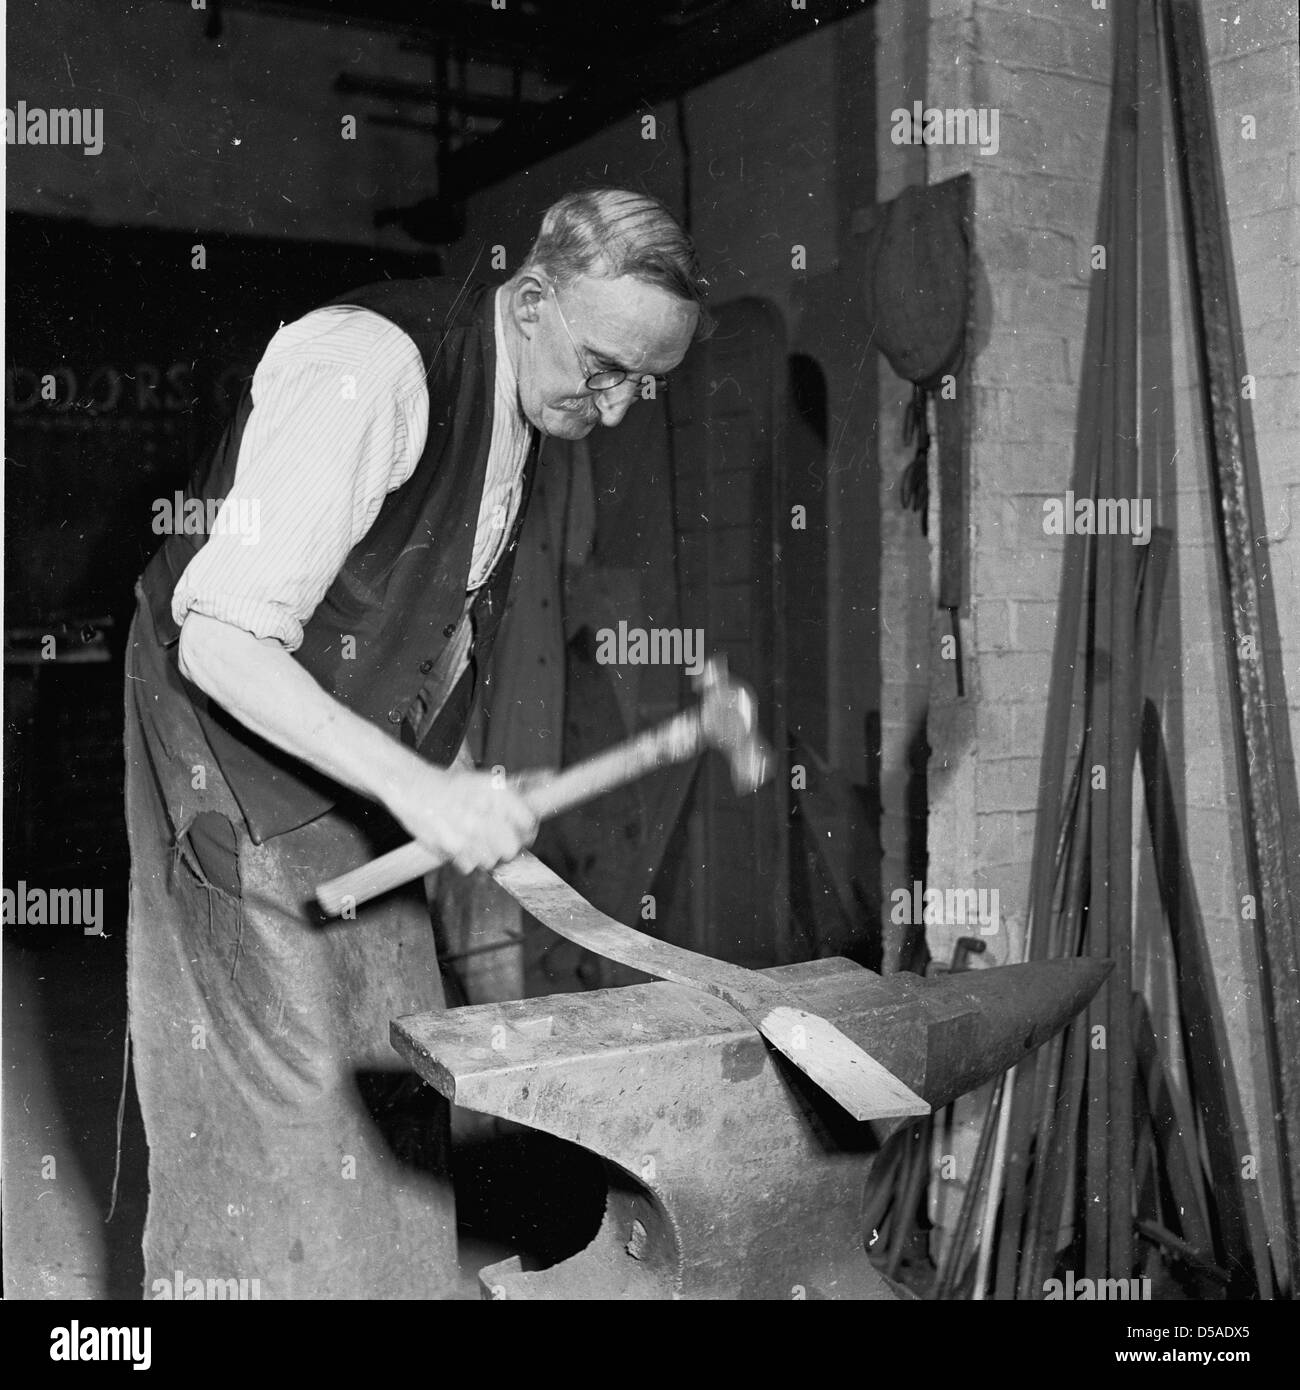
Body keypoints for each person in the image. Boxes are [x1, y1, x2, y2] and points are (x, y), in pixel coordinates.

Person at [124, 188, 706, 1299]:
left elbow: (419, 609)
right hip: (221, 729)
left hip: (336, 738)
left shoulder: (528, 393)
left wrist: (444, 773)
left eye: (649, 382)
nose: (620, 406)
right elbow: (223, 635)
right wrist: (414, 788)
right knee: (280, 1094)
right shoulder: (370, 370)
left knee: (391, 1061)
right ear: (529, 299)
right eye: (604, 367)